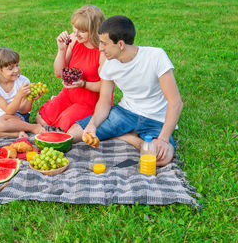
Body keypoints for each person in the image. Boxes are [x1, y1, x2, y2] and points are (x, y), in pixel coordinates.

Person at [68, 15, 183, 166]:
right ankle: (131, 138)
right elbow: (104, 102)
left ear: (120, 44)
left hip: (156, 119)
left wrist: (162, 139)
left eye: (104, 43)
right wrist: (93, 124)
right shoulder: (108, 64)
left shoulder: (156, 56)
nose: (100, 48)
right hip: (125, 113)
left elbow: (176, 103)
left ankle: (124, 136)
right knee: (73, 134)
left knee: (162, 158)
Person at [36, 5, 112, 133]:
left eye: (82, 31)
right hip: (69, 94)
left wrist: (83, 84)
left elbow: (105, 87)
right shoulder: (74, 39)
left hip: (89, 101)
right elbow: (58, 73)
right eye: (74, 27)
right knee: (42, 119)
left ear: (94, 31)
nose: (76, 33)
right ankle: (60, 106)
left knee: (63, 126)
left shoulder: (103, 52)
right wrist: (61, 49)